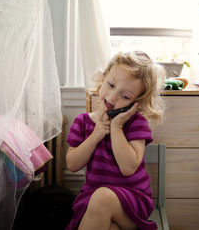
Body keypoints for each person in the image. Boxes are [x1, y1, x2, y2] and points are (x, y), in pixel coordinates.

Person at [65, 51, 165, 230]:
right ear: (103, 78)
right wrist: (95, 136)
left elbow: (128, 168)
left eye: (125, 96)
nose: (112, 98)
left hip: (132, 203)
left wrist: (116, 128)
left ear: (137, 103)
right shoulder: (83, 122)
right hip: (92, 200)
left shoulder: (136, 123)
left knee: (102, 197)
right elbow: (72, 164)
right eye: (110, 85)